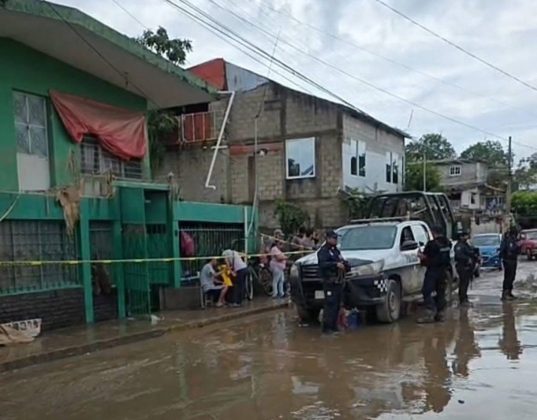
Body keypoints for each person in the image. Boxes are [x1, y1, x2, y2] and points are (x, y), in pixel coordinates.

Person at [417, 225, 452, 323]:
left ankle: (430, 313)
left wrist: (420, 255)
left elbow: (425, 257)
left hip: (433, 271)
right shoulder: (447, 243)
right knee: (440, 292)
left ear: (433, 232)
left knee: (426, 291)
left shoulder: (431, 244)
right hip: (443, 271)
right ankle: (440, 314)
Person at [317, 230, 349, 334]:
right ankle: (327, 328)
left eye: (336, 238)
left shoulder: (335, 251)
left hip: (338, 282)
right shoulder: (323, 251)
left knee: (337, 305)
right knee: (330, 305)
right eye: (334, 238)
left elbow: (341, 260)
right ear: (328, 239)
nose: (335, 240)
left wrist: (345, 265)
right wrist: (335, 264)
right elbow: (322, 264)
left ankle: (334, 326)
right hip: (329, 282)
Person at [454, 231, 475, 306]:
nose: (467, 237)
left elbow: (470, 252)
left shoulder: (466, 244)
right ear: (461, 237)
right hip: (462, 266)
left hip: (467, 267)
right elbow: (458, 256)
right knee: (463, 283)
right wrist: (467, 259)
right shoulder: (459, 246)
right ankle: (462, 300)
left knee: (465, 283)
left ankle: (464, 298)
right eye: (465, 236)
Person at [499, 227, 521, 301]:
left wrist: (518, 246)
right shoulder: (508, 240)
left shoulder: (514, 240)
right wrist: (517, 246)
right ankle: (505, 293)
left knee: (512, 277)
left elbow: (517, 251)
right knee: (508, 277)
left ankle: (509, 292)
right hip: (508, 260)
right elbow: (510, 249)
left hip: (513, 260)